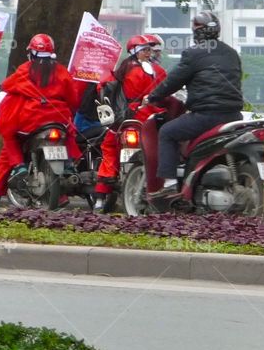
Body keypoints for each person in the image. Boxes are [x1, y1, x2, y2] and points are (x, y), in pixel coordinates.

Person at [145, 11, 243, 201]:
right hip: (234, 116)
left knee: (167, 132)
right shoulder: (231, 53)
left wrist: (153, 96)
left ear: (197, 32)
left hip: (206, 116)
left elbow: (172, 81)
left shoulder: (193, 53)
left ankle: (170, 184)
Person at [0, 34, 83, 207]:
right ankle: (67, 170)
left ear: (32, 53)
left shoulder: (25, 69)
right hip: (59, 120)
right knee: (68, 138)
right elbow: (74, 100)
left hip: (30, 121)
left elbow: (8, 85)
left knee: (10, 141)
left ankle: (6, 181)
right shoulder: (61, 71)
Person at [93, 35, 166, 211]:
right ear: (137, 52)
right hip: (155, 119)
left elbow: (104, 87)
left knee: (109, 147)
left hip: (129, 119)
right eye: (146, 50)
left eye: (149, 50)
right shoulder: (158, 71)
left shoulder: (124, 70)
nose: (149, 53)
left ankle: (101, 193)